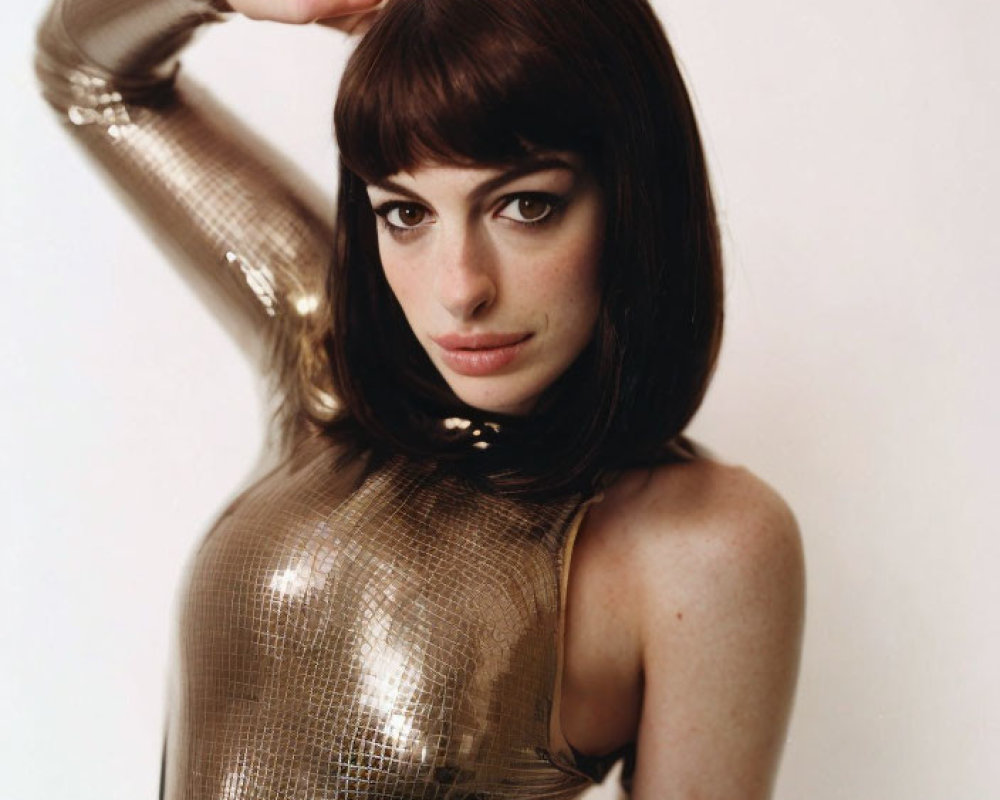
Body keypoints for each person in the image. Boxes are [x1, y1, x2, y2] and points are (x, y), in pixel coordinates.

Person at [35, 0, 805, 796]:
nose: (459, 289)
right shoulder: (329, 369)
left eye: (525, 205)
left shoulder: (703, 543)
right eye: (405, 213)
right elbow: (87, 74)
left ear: (634, 196)